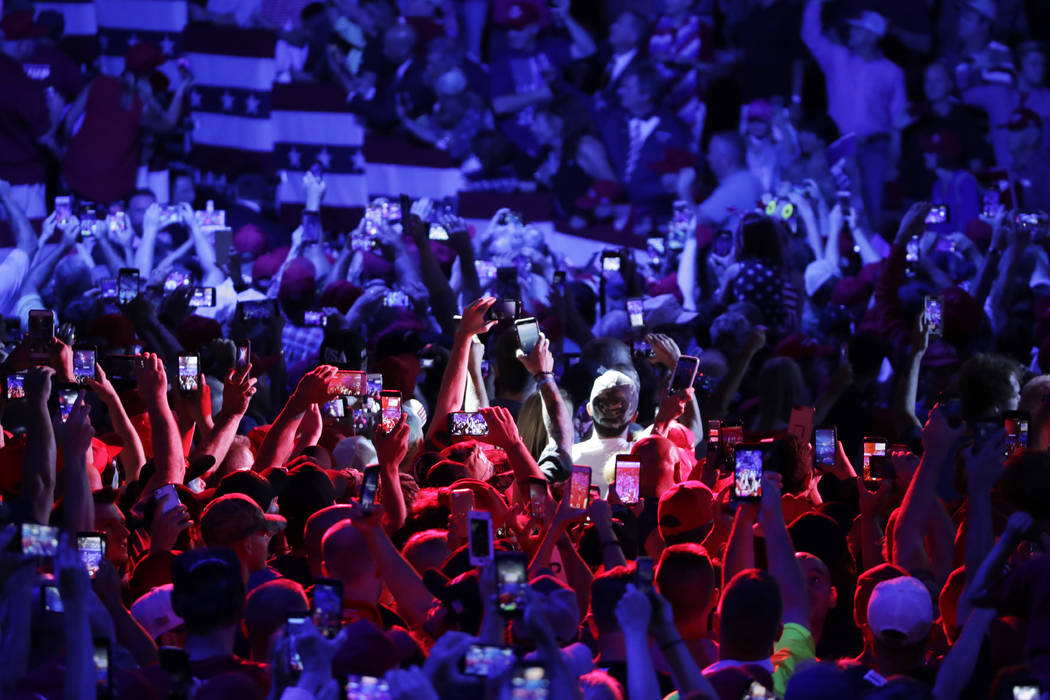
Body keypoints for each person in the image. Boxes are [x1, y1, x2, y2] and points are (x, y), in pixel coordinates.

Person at [802, 1, 907, 230]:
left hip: (874, 150)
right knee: (836, 209)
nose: (851, 32)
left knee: (871, 212)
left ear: (873, 36)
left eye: (858, 29)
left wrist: (893, 159)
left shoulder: (892, 72)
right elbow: (810, 34)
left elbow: (898, 118)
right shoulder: (837, 58)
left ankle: (874, 264)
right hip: (840, 148)